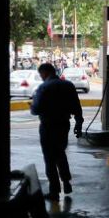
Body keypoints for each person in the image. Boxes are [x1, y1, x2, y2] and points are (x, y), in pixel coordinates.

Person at [30, 63, 84, 201]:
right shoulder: (68, 85)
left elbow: (36, 109)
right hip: (63, 125)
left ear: (45, 73)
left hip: (48, 126)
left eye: (41, 74)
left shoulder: (44, 87)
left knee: (49, 158)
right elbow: (77, 107)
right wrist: (78, 124)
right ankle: (66, 182)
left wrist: (32, 106)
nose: (41, 77)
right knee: (60, 153)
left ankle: (54, 191)